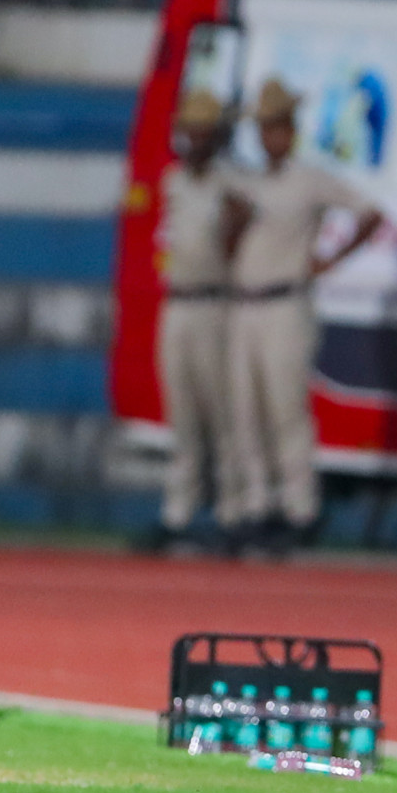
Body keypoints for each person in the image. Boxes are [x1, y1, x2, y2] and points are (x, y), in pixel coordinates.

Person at [230, 78, 384, 552]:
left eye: (277, 128)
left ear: (292, 131)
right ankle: (258, 506)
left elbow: (370, 213)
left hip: (286, 302)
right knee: (245, 410)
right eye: (262, 129)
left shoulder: (310, 179)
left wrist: (331, 259)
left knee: (285, 409)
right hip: (244, 304)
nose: (269, 137)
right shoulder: (246, 182)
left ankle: (300, 509)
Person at [145, 89, 247, 554]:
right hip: (177, 301)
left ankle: (232, 513)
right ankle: (178, 513)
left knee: (220, 411)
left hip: (213, 302)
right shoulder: (174, 181)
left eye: (205, 129)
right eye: (192, 128)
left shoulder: (229, 185)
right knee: (181, 412)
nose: (196, 137)